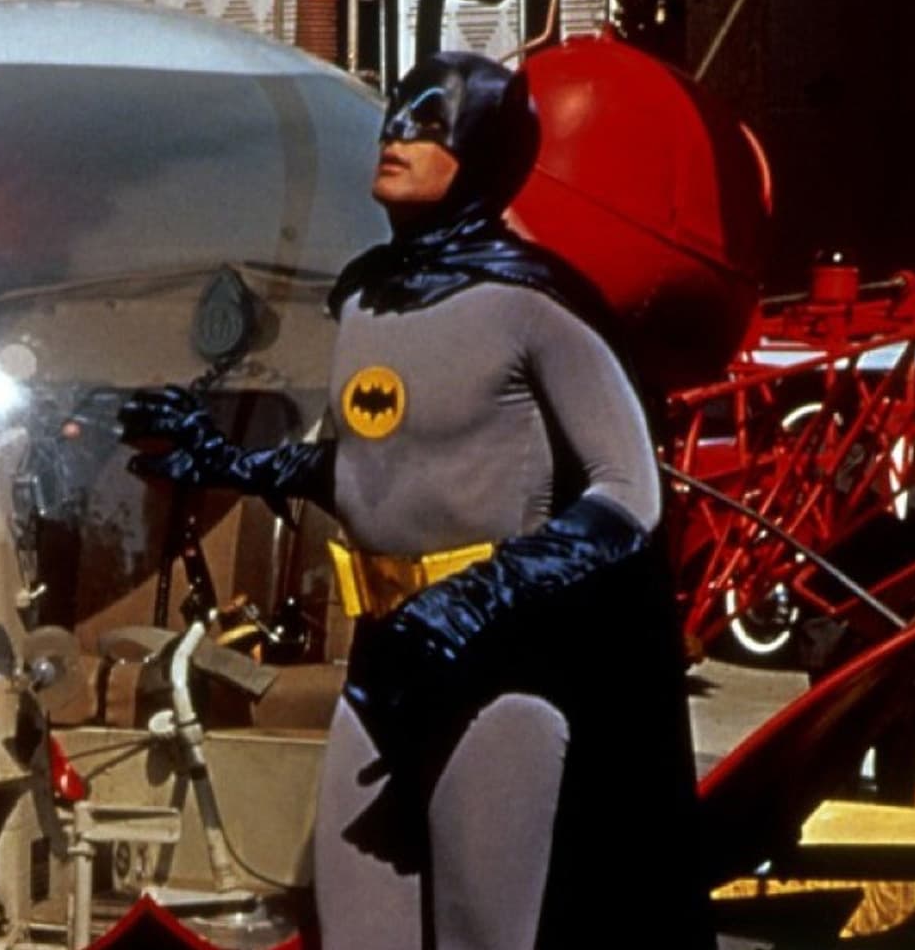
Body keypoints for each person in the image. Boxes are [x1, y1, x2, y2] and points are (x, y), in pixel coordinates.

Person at [121, 53, 707, 946]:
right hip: (384, 663)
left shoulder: (532, 303)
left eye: (431, 125)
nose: (396, 136)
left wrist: (482, 595)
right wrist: (223, 459)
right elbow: (364, 466)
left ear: (483, 152)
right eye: (396, 114)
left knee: (483, 933)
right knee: (355, 929)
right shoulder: (366, 300)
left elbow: (629, 490)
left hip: (499, 675)